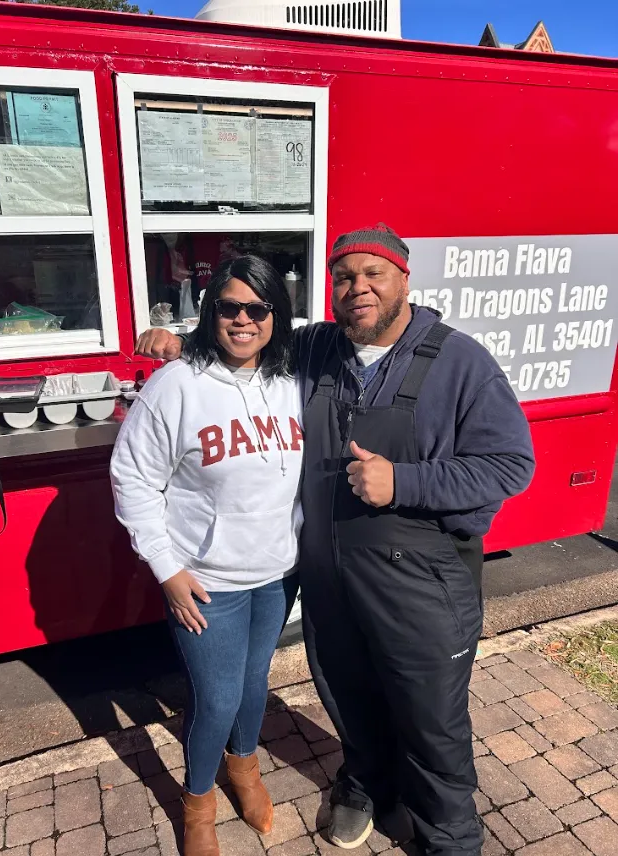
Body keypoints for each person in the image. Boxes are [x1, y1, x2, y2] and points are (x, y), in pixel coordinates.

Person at [135, 224, 535, 856]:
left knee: (431, 721)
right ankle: (365, 785)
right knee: (348, 695)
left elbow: (511, 465)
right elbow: (246, 331)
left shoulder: (461, 361)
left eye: (374, 274)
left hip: (422, 583)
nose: (359, 288)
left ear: (405, 278)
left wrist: (404, 481)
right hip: (331, 578)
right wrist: (181, 340)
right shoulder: (320, 348)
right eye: (345, 277)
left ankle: (449, 837)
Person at [111, 255, 304, 856]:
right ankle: (198, 802)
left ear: (277, 315)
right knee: (215, 697)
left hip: (277, 574)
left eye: (258, 308)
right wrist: (167, 571)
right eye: (229, 307)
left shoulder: (290, 376)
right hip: (205, 581)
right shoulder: (178, 385)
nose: (243, 320)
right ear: (210, 312)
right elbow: (132, 478)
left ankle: (243, 768)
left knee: (253, 682)